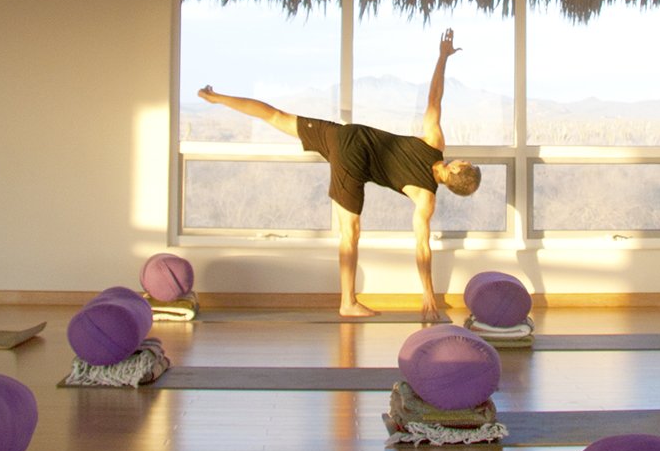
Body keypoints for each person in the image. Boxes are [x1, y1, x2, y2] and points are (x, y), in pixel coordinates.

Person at [197, 29, 481, 321]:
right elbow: (422, 246)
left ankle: (215, 97)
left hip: (345, 136)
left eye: (466, 163)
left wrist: (442, 57)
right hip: (351, 163)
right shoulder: (426, 198)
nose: (464, 159)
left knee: (275, 115)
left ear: (458, 169)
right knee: (351, 234)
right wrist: (427, 292)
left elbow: (434, 99)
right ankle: (347, 302)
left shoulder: (435, 143)